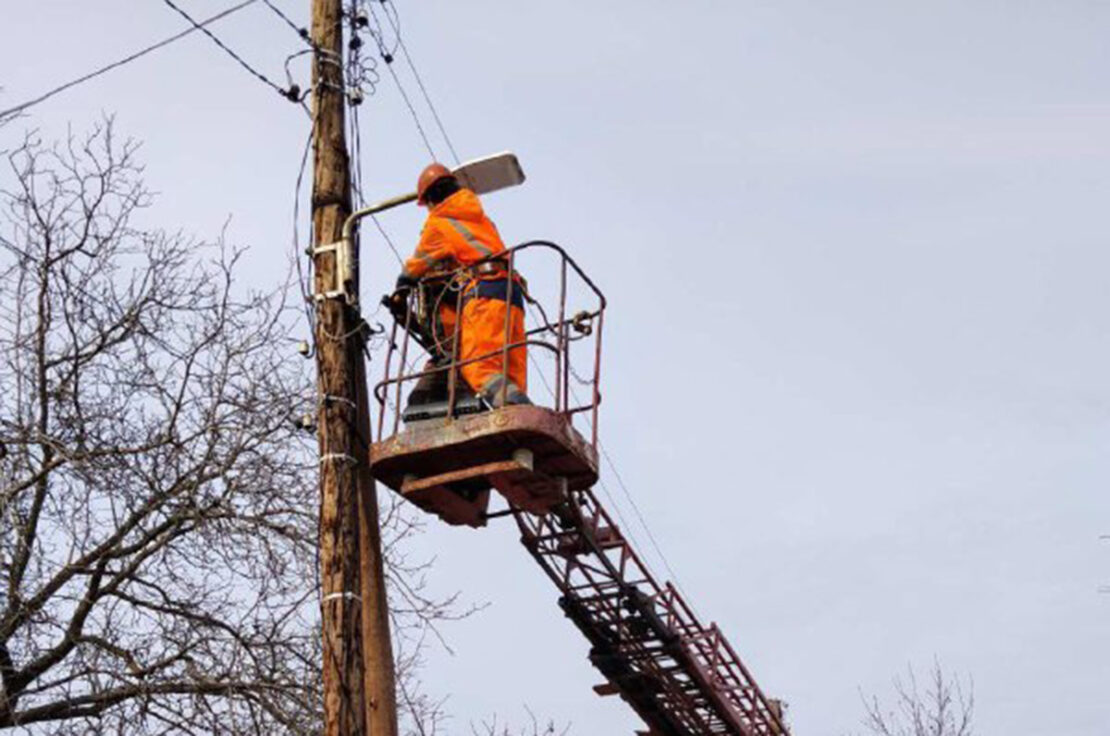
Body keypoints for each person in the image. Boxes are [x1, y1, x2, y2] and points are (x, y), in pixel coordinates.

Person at [394, 163, 529, 408]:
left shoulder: (439, 222)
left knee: (479, 366)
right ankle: (522, 413)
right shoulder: (479, 217)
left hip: (484, 293)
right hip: (512, 293)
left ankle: (515, 411)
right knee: (510, 372)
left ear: (431, 200)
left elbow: (419, 262)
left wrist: (401, 288)